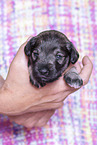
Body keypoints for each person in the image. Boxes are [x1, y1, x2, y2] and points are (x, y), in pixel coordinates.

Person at [0, 37, 93, 128]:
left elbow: (72, 66)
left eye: (58, 56)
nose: (43, 69)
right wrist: (6, 103)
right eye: (36, 54)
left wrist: (72, 74)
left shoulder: (69, 54)